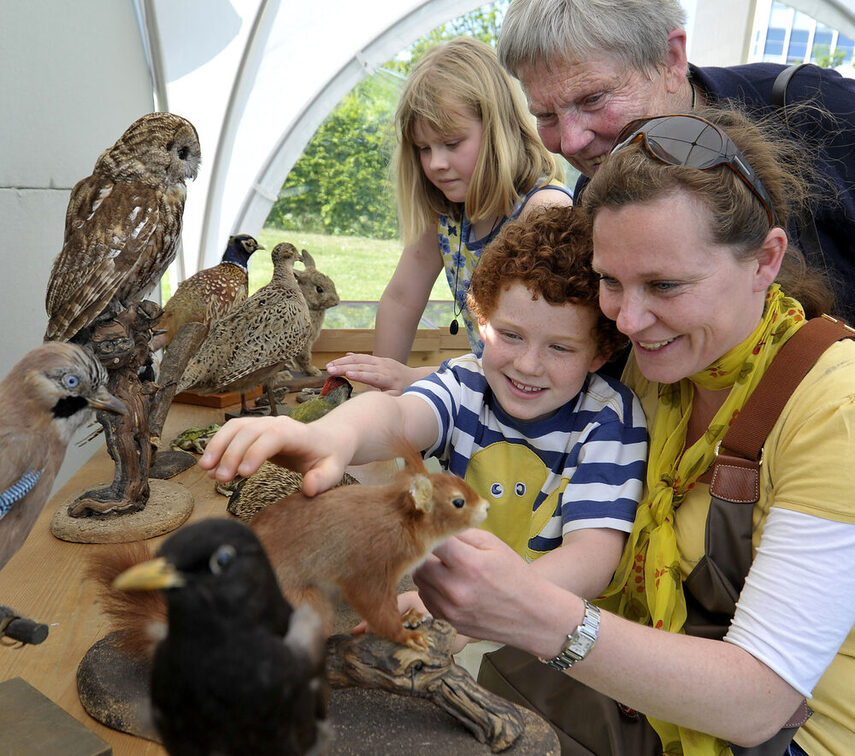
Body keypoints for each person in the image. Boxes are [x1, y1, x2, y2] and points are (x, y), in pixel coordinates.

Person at [368, 107, 854, 756]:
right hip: (647, 699)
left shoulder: (833, 408)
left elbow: (758, 703)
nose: (626, 318)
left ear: (765, 260)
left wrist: (533, 614)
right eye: (608, 280)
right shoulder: (665, 362)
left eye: (664, 284)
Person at [200, 203, 647, 646]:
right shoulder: (469, 382)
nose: (528, 365)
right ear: (482, 322)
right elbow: (396, 415)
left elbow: (592, 559)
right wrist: (328, 436)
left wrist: (485, 608)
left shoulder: (609, 422)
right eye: (511, 335)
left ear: (599, 354)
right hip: (457, 614)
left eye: (560, 348)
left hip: (554, 639)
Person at [496, 0, 855, 325]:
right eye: (545, 115)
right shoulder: (597, 195)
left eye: (593, 99)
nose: (571, 141)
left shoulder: (814, 110)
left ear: (670, 59)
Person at [325, 36, 572, 393]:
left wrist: (410, 379)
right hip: (485, 392)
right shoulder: (446, 217)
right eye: (424, 149)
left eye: (452, 144)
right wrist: (381, 390)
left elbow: (535, 358)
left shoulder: (542, 212)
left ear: (498, 130)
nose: (436, 164)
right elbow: (401, 300)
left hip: (540, 405)